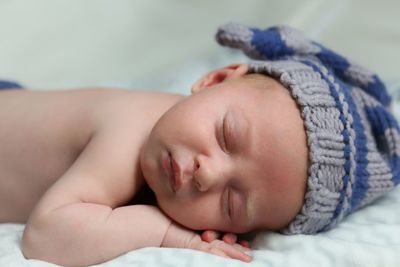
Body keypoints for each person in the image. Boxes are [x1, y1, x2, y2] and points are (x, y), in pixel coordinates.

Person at [0, 23, 399, 266]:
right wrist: (167, 235)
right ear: (215, 80)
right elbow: (46, 236)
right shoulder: (132, 128)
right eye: (226, 136)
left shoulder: (169, 155)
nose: (209, 173)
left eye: (231, 202)